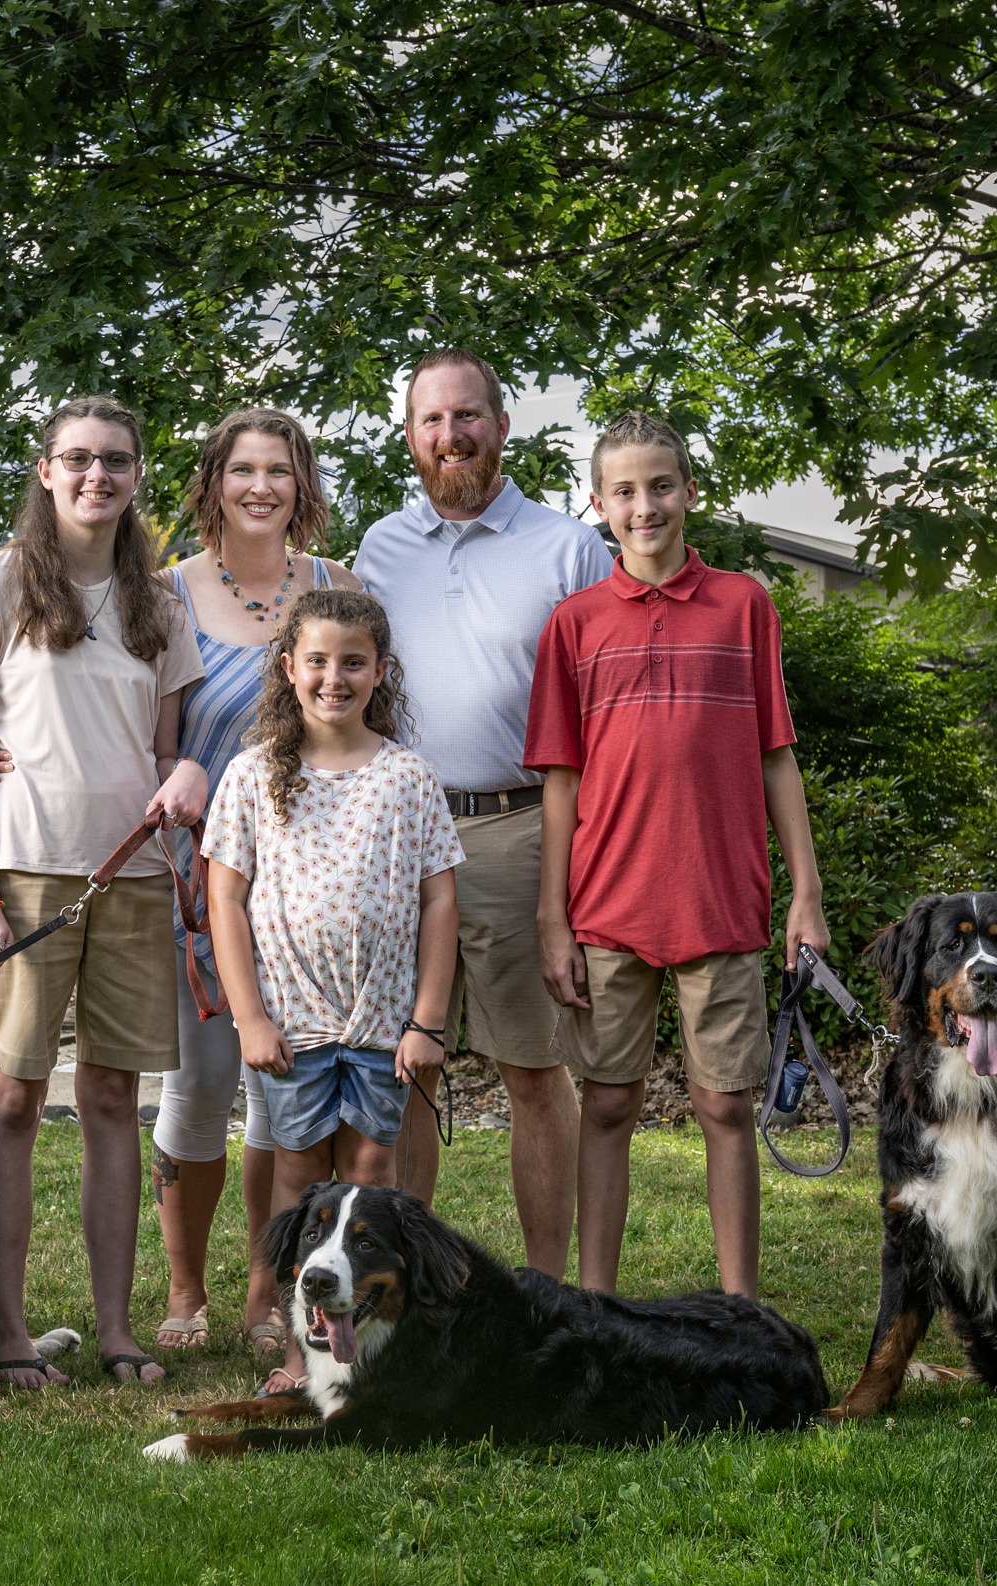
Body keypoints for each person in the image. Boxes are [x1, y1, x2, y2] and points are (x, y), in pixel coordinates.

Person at [526, 411, 830, 1299]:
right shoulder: (573, 625)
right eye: (624, 490)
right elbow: (560, 782)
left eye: (661, 485)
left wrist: (804, 895)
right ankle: (596, 1307)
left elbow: (777, 756)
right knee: (608, 1104)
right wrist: (554, 918)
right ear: (598, 504)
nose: (645, 505)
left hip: (721, 901)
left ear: (691, 491)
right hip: (607, 906)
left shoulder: (744, 605)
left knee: (725, 1107)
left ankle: (742, 1311)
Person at [0, 395, 207, 1388]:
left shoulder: (159, 602)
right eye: (78, 459)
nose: (98, 476)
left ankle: (115, 1329)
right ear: (46, 470)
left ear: (137, 475)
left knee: (109, 1097)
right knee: (8, 1097)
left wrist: (182, 780)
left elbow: (166, 748)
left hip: (133, 875)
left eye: (117, 461)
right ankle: (2, 1329)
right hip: (21, 879)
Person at [353, 348, 615, 1278]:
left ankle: (549, 1292)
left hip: (519, 832)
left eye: (467, 416)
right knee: (405, 1071)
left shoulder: (570, 549)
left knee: (534, 1072)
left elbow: (604, 713)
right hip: (401, 837)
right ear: (411, 435)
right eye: (430, 420)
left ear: (503, 426)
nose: (450, 436)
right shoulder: (377, 550)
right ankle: (404, 1288)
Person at [201, 587, 462, 1393]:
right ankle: (298, 1352)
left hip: (383, 1027)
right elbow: (225, 899)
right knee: (298, 1183)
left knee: (373, 1176)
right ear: (289, 668)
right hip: (291, 1027)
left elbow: (441, 901)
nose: (334, 678)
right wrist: (248, 1016)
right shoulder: (253, 777)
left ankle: (376, 1351)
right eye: (317, 661)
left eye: (354, 663)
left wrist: (427, 1023)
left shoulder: (408, 778)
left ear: (381, 671)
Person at [144, 410, 356, 1358]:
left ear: (300, 483)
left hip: (310, 886)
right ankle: (185, 1293)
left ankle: (263, 1299)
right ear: (214, 483)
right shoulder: (166, 595)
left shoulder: (339, 586)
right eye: (243, 470)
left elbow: (366, 721)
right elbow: (138, 735)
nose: (261, 487)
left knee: (286, 1095)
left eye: (279, 469)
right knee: (200, 1085)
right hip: (199, 881)